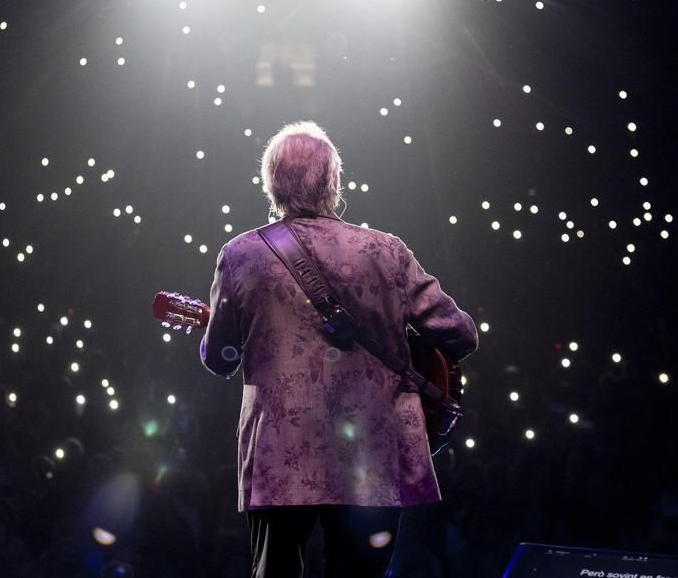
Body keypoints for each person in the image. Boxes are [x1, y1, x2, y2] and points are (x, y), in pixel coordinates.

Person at [200, 121, 479, 578]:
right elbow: (460, 336)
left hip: (280, 456)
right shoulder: (387, 251)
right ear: (333, 183)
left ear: (270, 183)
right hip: (371, 455)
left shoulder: (239, 255)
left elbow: (219, 359)